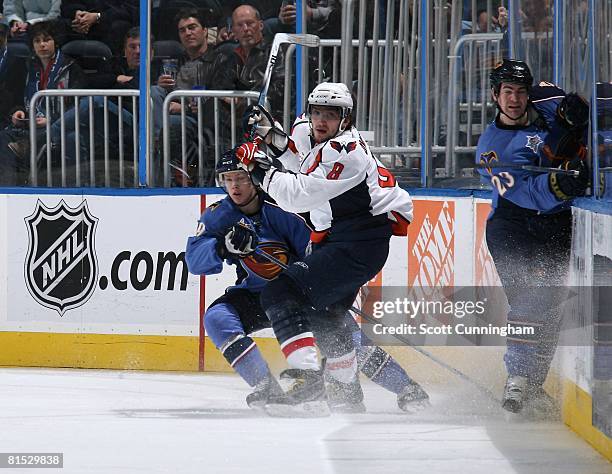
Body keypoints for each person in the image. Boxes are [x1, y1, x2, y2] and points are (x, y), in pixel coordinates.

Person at [185, 149, 429, 413]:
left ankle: (406, 387)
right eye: (228, 179)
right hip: (256, 294)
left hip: (299, 293)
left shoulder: (285, 209)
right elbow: (195, 261)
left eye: (241, 178)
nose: (234, 186)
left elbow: (318, 255)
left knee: (345, 339)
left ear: (254, 178)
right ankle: (266, 387)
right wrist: (221, 248)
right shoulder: (218, 216)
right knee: (217, 318)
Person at [232, 82, 416, 415]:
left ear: (345, 119)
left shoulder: (347, 152)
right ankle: (346, 394)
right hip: (347, 240)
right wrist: (269, 135)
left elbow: (297, 194)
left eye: (330, 116)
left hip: (358, 243)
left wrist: (257, 167)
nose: (320, 121)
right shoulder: (327, 142)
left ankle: (307, 379)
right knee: (326, 316)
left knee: (279, 294)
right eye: (317, 113)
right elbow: (303, 163)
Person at [474, 59, 590, 414]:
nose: (514, 98)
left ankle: (534, 386)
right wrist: (559, 182)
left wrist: (578, 107)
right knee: (529, 299)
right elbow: (524, 194)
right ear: (496, 96)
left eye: (520, 91)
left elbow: (577, 110)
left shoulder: (543, 103)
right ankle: (517, 379)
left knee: (551, 310)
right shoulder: (492, 149)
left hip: (555, 224)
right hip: (513, 225)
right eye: (507, 91)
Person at [0, 20, 86, 185]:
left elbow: (78, 105)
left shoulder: (70, 67)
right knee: (3, 136)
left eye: (46, 39)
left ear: (55, 41)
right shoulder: (26, 67)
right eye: (37, 41)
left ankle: (72, 189)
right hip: (29, 125)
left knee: (71, 138)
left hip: (60, 126)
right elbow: (16, 99)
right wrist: (18, 113)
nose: (42, 45)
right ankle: (8, 191)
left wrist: (52, 119)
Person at [151, 7, 227, 186]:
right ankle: (155, 140)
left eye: (192, 27)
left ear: (205, 31)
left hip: (200, 118)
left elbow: (214, 99)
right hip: (170, 113)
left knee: (173, 123)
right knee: (153, 91)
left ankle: (157, 146)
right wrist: (162, 85)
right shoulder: (175, 61)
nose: (187, 33)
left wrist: (184, 108)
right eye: (182, 30)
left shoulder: (219, 59)